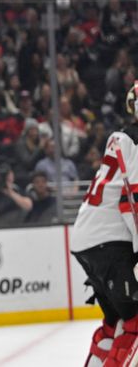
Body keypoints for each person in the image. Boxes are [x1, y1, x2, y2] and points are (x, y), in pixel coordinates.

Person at [71, 84, 138, 366]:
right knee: (135, 325)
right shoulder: (135, 142)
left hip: (89, 239)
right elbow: (131, 200)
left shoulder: (120, 137)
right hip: (108, 242)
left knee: (114, 321)